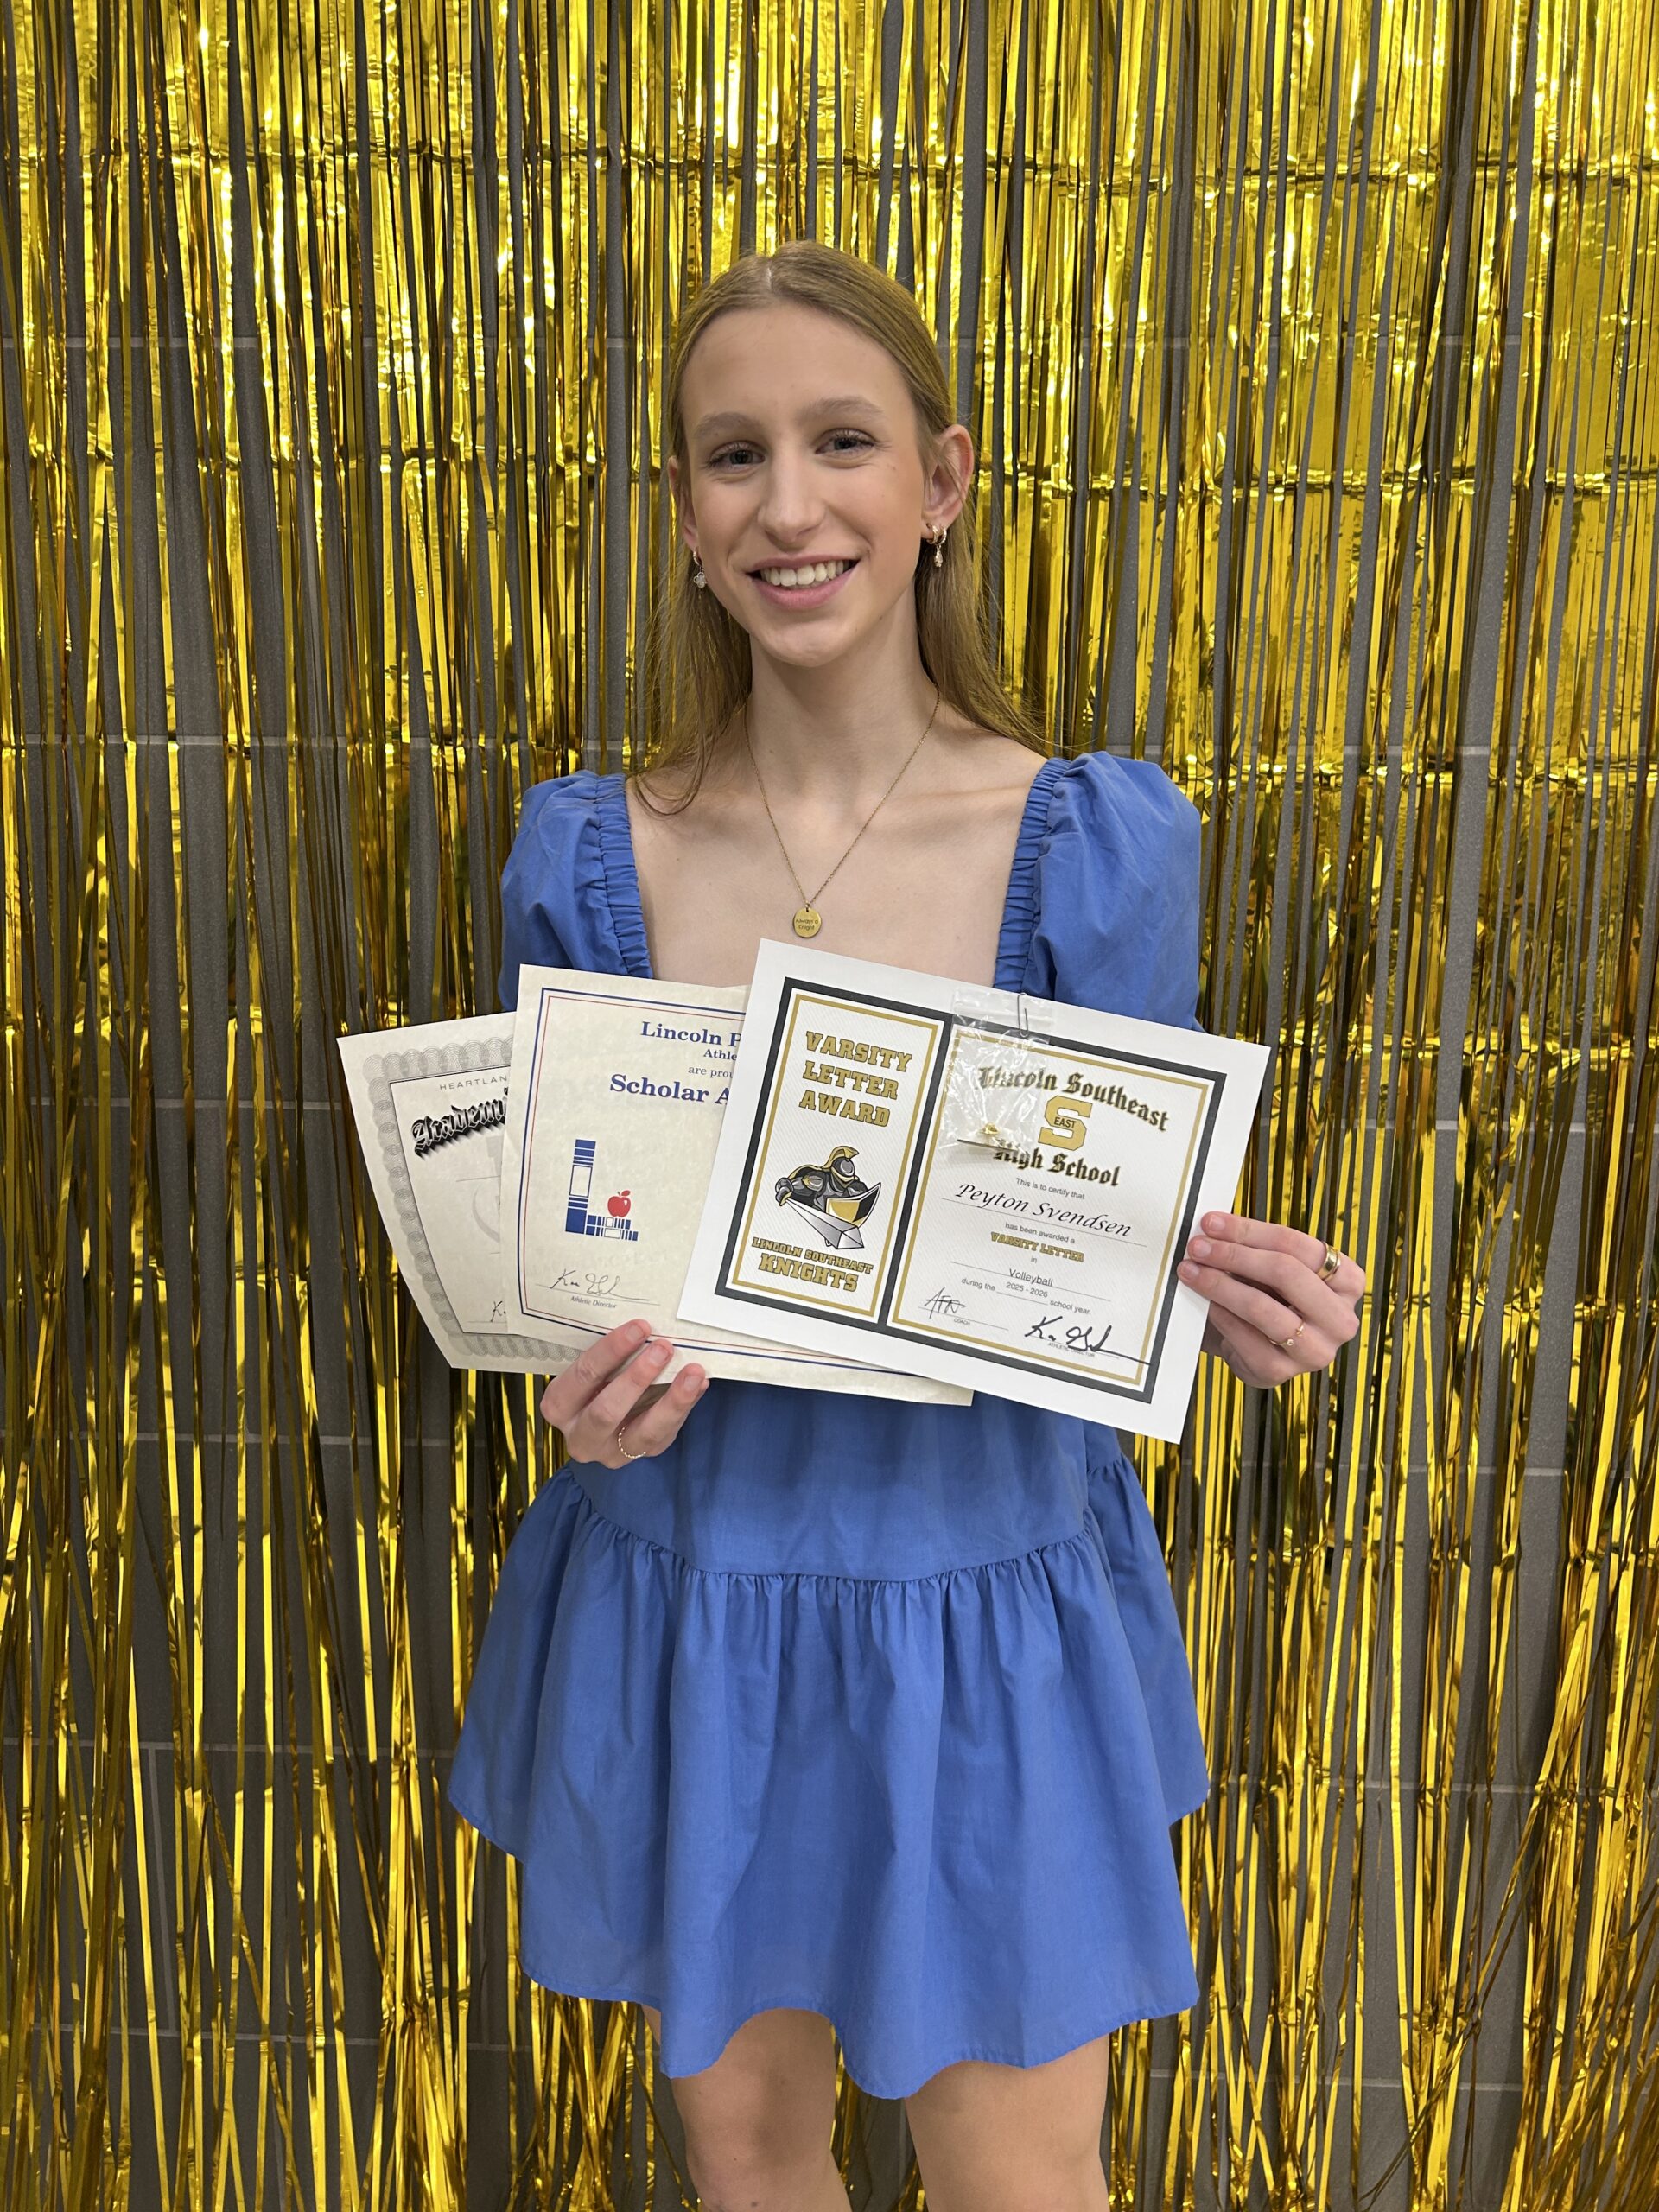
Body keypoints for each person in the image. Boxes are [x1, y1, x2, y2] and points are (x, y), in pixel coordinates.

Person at [448, 239, 1364, 2212]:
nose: (789, 504)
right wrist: (577, 1403)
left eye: (840, 441)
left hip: (992, 1607)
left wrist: (1240, 1298)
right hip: (689, 1588)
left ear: (940, 480)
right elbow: (569, 1284)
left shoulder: (1096, 842)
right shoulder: (587, 857)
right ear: (683, 516)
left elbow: (1126, 1235)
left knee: (1027, 2179)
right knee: (751, 2155)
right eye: (732, 455)